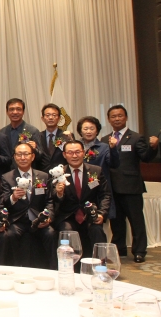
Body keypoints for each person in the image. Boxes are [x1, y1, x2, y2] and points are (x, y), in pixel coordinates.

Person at [101, 105, 159, 263]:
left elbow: (146, 157)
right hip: (112, 187)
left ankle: (139, 251)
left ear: (126, 117)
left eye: (120, 116)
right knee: (116, 221)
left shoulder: (136, 137)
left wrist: (153, 147)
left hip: (131, 187)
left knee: (136, 221)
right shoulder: (105, 139)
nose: (117, 119)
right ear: (109, 119)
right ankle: (119, 249)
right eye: (113, 116)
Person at [0, 144, 57, 269]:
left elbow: (49, 200)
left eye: (26, 154)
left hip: (38, 219)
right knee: (10, 235)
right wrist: (13, 198)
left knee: (50, 234)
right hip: (17, 220)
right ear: (14, 157)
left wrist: (48, 217)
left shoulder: (43, 176)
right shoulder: (7, 177)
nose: (23, 157)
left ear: (33, 156)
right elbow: (4, 203)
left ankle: (53, 269)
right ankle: (14, 269)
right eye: (19, 154)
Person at [51, 141, 110, 253]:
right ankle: (69, 263)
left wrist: (101, 213)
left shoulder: (96, 171)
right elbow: (53, 199)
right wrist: (59, 193)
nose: (74, 156)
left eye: (77, 152)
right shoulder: (58, 173)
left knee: (97, 230)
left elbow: (105, 194)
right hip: (67, 216)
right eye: (70, 152)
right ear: (64, 155)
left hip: (89, 215)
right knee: (67, 231)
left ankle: (101, 261)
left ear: (84, 153)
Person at [0, 98, 47, 170]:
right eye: (11, 109)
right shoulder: (2, 132)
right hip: (6, 172)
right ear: (7, 112)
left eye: (18, 109)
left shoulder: (32, 130)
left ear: (23, 112)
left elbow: (40, 156)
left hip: (27, 171)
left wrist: (34, 149)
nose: (15, 112)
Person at [37, 103, 73, 171]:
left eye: (54, 115)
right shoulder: (37, 136)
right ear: (42, 118)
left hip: (63, 173)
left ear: (59, 118)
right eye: (47, 115)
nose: (50, 118)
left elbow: (71, 155)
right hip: (43, 174)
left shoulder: (66, 136)